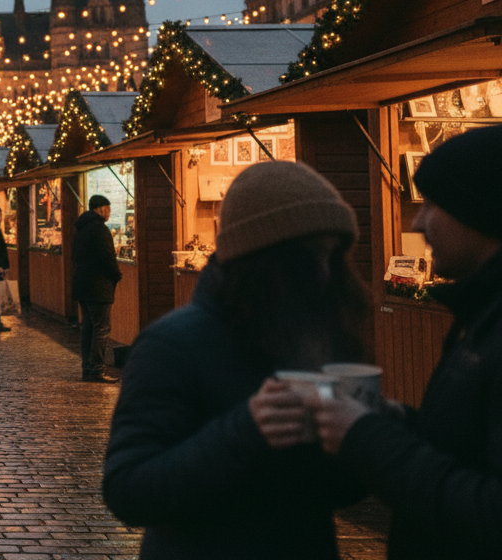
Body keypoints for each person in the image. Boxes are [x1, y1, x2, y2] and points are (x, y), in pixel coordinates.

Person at [103, 161, 369, 559]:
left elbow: (330, 490)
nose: (323, 274)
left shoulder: (320, 334)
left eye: (333, 257)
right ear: (260, 259)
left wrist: (368, 435)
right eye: (309, 256)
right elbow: (129, 490)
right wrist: (245, 430)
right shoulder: (172, 344)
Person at [311, 124, 502, 558]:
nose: (418, 221)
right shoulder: (481, 311)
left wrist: (363, 434)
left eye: (434, 204)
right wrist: (392, 418)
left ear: (480, 211)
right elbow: (463, 448)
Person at [72, 195, 124, 382]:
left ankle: (87, 368)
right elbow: (107, 257)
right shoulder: (100, 229)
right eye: (108, 209)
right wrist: (116, 275)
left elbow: (74, 256)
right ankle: (96, 370)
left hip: (82, 285)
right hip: (98, 286)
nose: (109, 213)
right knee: (101, 329)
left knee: (88, 327)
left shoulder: (80, 228)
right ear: (101, 209)